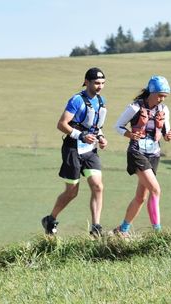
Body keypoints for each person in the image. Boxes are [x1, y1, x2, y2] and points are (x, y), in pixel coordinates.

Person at [41, 67, 108, 237]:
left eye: (102, 83)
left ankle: (96, 227)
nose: (99, 86)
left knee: (98, 186)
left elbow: (95, 126)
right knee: (72, 192)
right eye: (96, 83)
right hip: (73, 148)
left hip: (90, 151)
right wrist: (81, 135)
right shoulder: (76, 100)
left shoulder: (101, 101)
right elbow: (62, 124)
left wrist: (101, 138)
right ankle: (50, 219)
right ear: (86, 82)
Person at [112, 75, 171, 236]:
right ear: (151, 92)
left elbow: (166, 132)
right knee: (156, 190)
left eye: (164, 96)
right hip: (136, 153)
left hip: (154, 154)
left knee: (141, 197)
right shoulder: (134, 108)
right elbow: (117, 126)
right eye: (160, 95)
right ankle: (158, 233)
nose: (162, 99)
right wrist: (130, 135)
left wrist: (169, 136)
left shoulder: (164, 110)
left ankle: (122, 230)